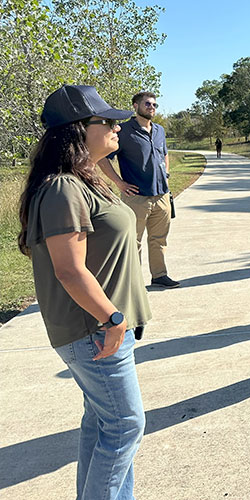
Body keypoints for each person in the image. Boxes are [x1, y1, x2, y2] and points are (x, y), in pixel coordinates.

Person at [17, 85, 151, 499]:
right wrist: (113, 318)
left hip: (102, 329)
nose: (116, 127)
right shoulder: (63, 189)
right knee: (126, 425)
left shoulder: (86, 180)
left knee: (101, 424)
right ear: (77, 130)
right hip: (94, 330)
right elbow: (70, 271)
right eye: (105, 122)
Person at [97, 91, 179, 288]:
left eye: (154, 105)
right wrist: (119, 183)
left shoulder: (159, 130)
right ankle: (133, 283)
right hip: (137, 198)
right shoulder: (123, 131)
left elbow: (164, 154)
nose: (152, 107)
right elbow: (102, 158)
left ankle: (159, 275)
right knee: (133, 242)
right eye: (148, 104)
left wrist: (166, 175)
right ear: (135, 106)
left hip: (161, 196)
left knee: (159, 240)